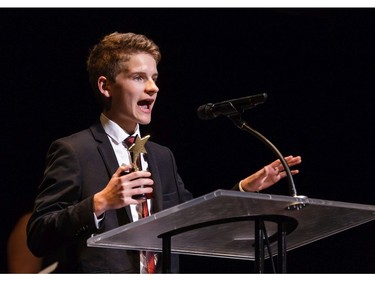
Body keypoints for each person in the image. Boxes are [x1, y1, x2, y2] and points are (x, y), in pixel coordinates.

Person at [26, 32, 301, 273]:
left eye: (154, 78)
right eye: (138, 77)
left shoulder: (161, 156)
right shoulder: (74, 150)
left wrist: (243, 189)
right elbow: (39, 235)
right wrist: (100, 203)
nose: (153, 87)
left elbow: (193, 219)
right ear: (105, 86)